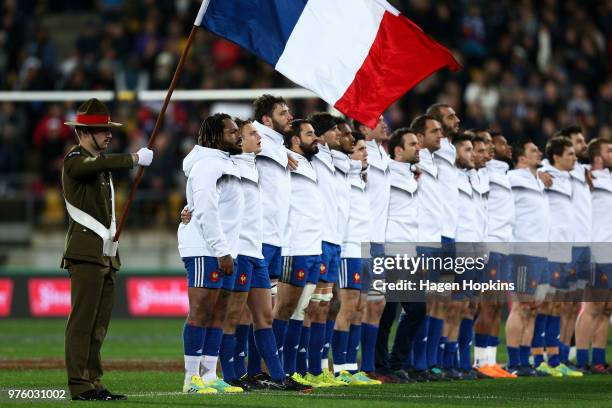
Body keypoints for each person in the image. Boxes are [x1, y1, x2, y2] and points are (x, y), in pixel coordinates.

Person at [62, 98, 153, 401]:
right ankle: (79, 383)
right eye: (103, 131)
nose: (110, 135)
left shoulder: (98, 166)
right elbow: (97, 163)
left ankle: (93, 381)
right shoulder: (75, 159)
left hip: (105, 254)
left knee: (98, 325)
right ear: (85, 133)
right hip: (86, 253)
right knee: (83, 322)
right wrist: (133, 158)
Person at [178, 113, 244, 394]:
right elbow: (205, 209)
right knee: (201, 310)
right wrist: (221, 251)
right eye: (231, 132)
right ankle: (191, 378)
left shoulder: (226, 163)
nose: (237, 135)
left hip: (225, 249)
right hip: (207, 249)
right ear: (215, 137)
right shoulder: (207, 164)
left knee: (219, 312)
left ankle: (208, 375)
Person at [279, 119, 325, 385]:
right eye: (310, 134)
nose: (315, 138)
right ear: (295, 140)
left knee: (301, 310)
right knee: (284, 308)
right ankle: (275, 370)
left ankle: (290, 369)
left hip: (312, 246)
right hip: (293, 246)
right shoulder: (283, 160)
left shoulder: (308, 163)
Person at [381, 128, 426, 382]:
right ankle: (381, 366)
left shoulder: (411, 177)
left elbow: (411, 219)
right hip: (389, 250)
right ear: (398, 150)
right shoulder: (385, 172)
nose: (417, 148)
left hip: (408, 253)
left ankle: (394, 362)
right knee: (387, 313)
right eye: (412, 144)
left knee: (416, 310)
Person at [505, 140, 550, 377]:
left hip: (541, 252)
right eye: (534, 151)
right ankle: (513, 361)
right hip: (523, 251)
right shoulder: (512, 177)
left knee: (533, 308)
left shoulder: (537, 180)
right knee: (521, 306)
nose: (539, 153)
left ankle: (525, 361)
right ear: (521, 158)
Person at [353, 116, 391, 382]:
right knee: (350, 306)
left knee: (376, 305)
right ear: (364, 128)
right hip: (360, 241)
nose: (385, 124)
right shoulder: (357, 154)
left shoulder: (382, 154)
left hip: (379, 242)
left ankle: (368, 365)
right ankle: (344, 365)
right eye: (378, 121)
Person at [576, 137, 612, 374]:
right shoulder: (585, 177)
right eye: (610, 150)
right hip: (597, 250)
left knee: (607, 308)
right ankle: (580, 360)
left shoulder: (608, 178)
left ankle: (598, 360)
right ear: (598, 156)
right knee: (592, 307)